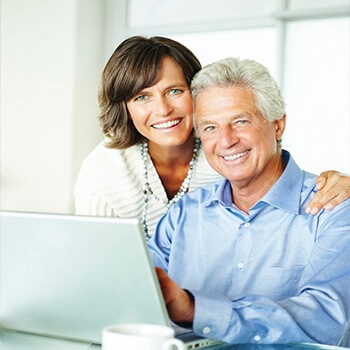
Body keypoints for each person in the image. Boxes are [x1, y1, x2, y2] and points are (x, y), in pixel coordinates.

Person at [148, 57, 350, 346]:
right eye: (210, 128)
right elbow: (136, 293)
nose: (226, 141)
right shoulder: (184, 213)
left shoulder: (334, 207)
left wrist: (195, 310)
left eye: (240, 121)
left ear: (278, 125)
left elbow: (326, 319)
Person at [75, 36, 350, 239]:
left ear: (197, 92)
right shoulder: (104, 170)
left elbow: (283, 191)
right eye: (142, 97)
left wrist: (335, 183)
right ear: (124, 107)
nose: (162, 110)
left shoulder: (228, 152)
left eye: (174, 91)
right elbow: (96, 260)